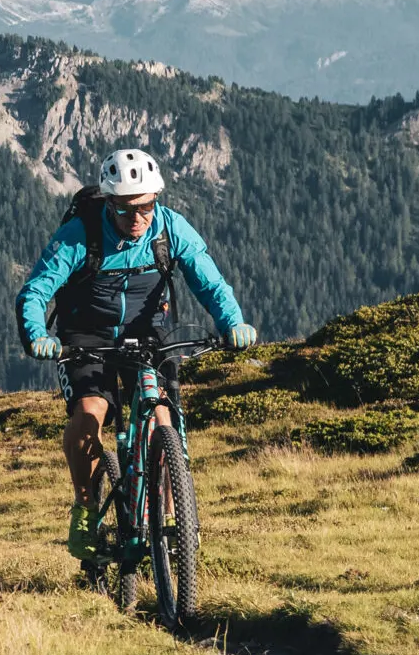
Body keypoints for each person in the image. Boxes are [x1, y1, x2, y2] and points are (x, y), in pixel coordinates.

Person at [13, 148, 257, 563]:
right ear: (109, 203)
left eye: (145, 206)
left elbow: (210, 282)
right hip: (86, 336)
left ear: (156, 199)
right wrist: (38, 335)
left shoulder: (170, 228)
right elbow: (35, 291)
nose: (137, 218)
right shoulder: (80, 234)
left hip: (149, 334)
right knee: (89, 415)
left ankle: (173, 520)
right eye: (126, 209)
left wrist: (233, 323)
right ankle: (86, 511)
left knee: (162, 417)